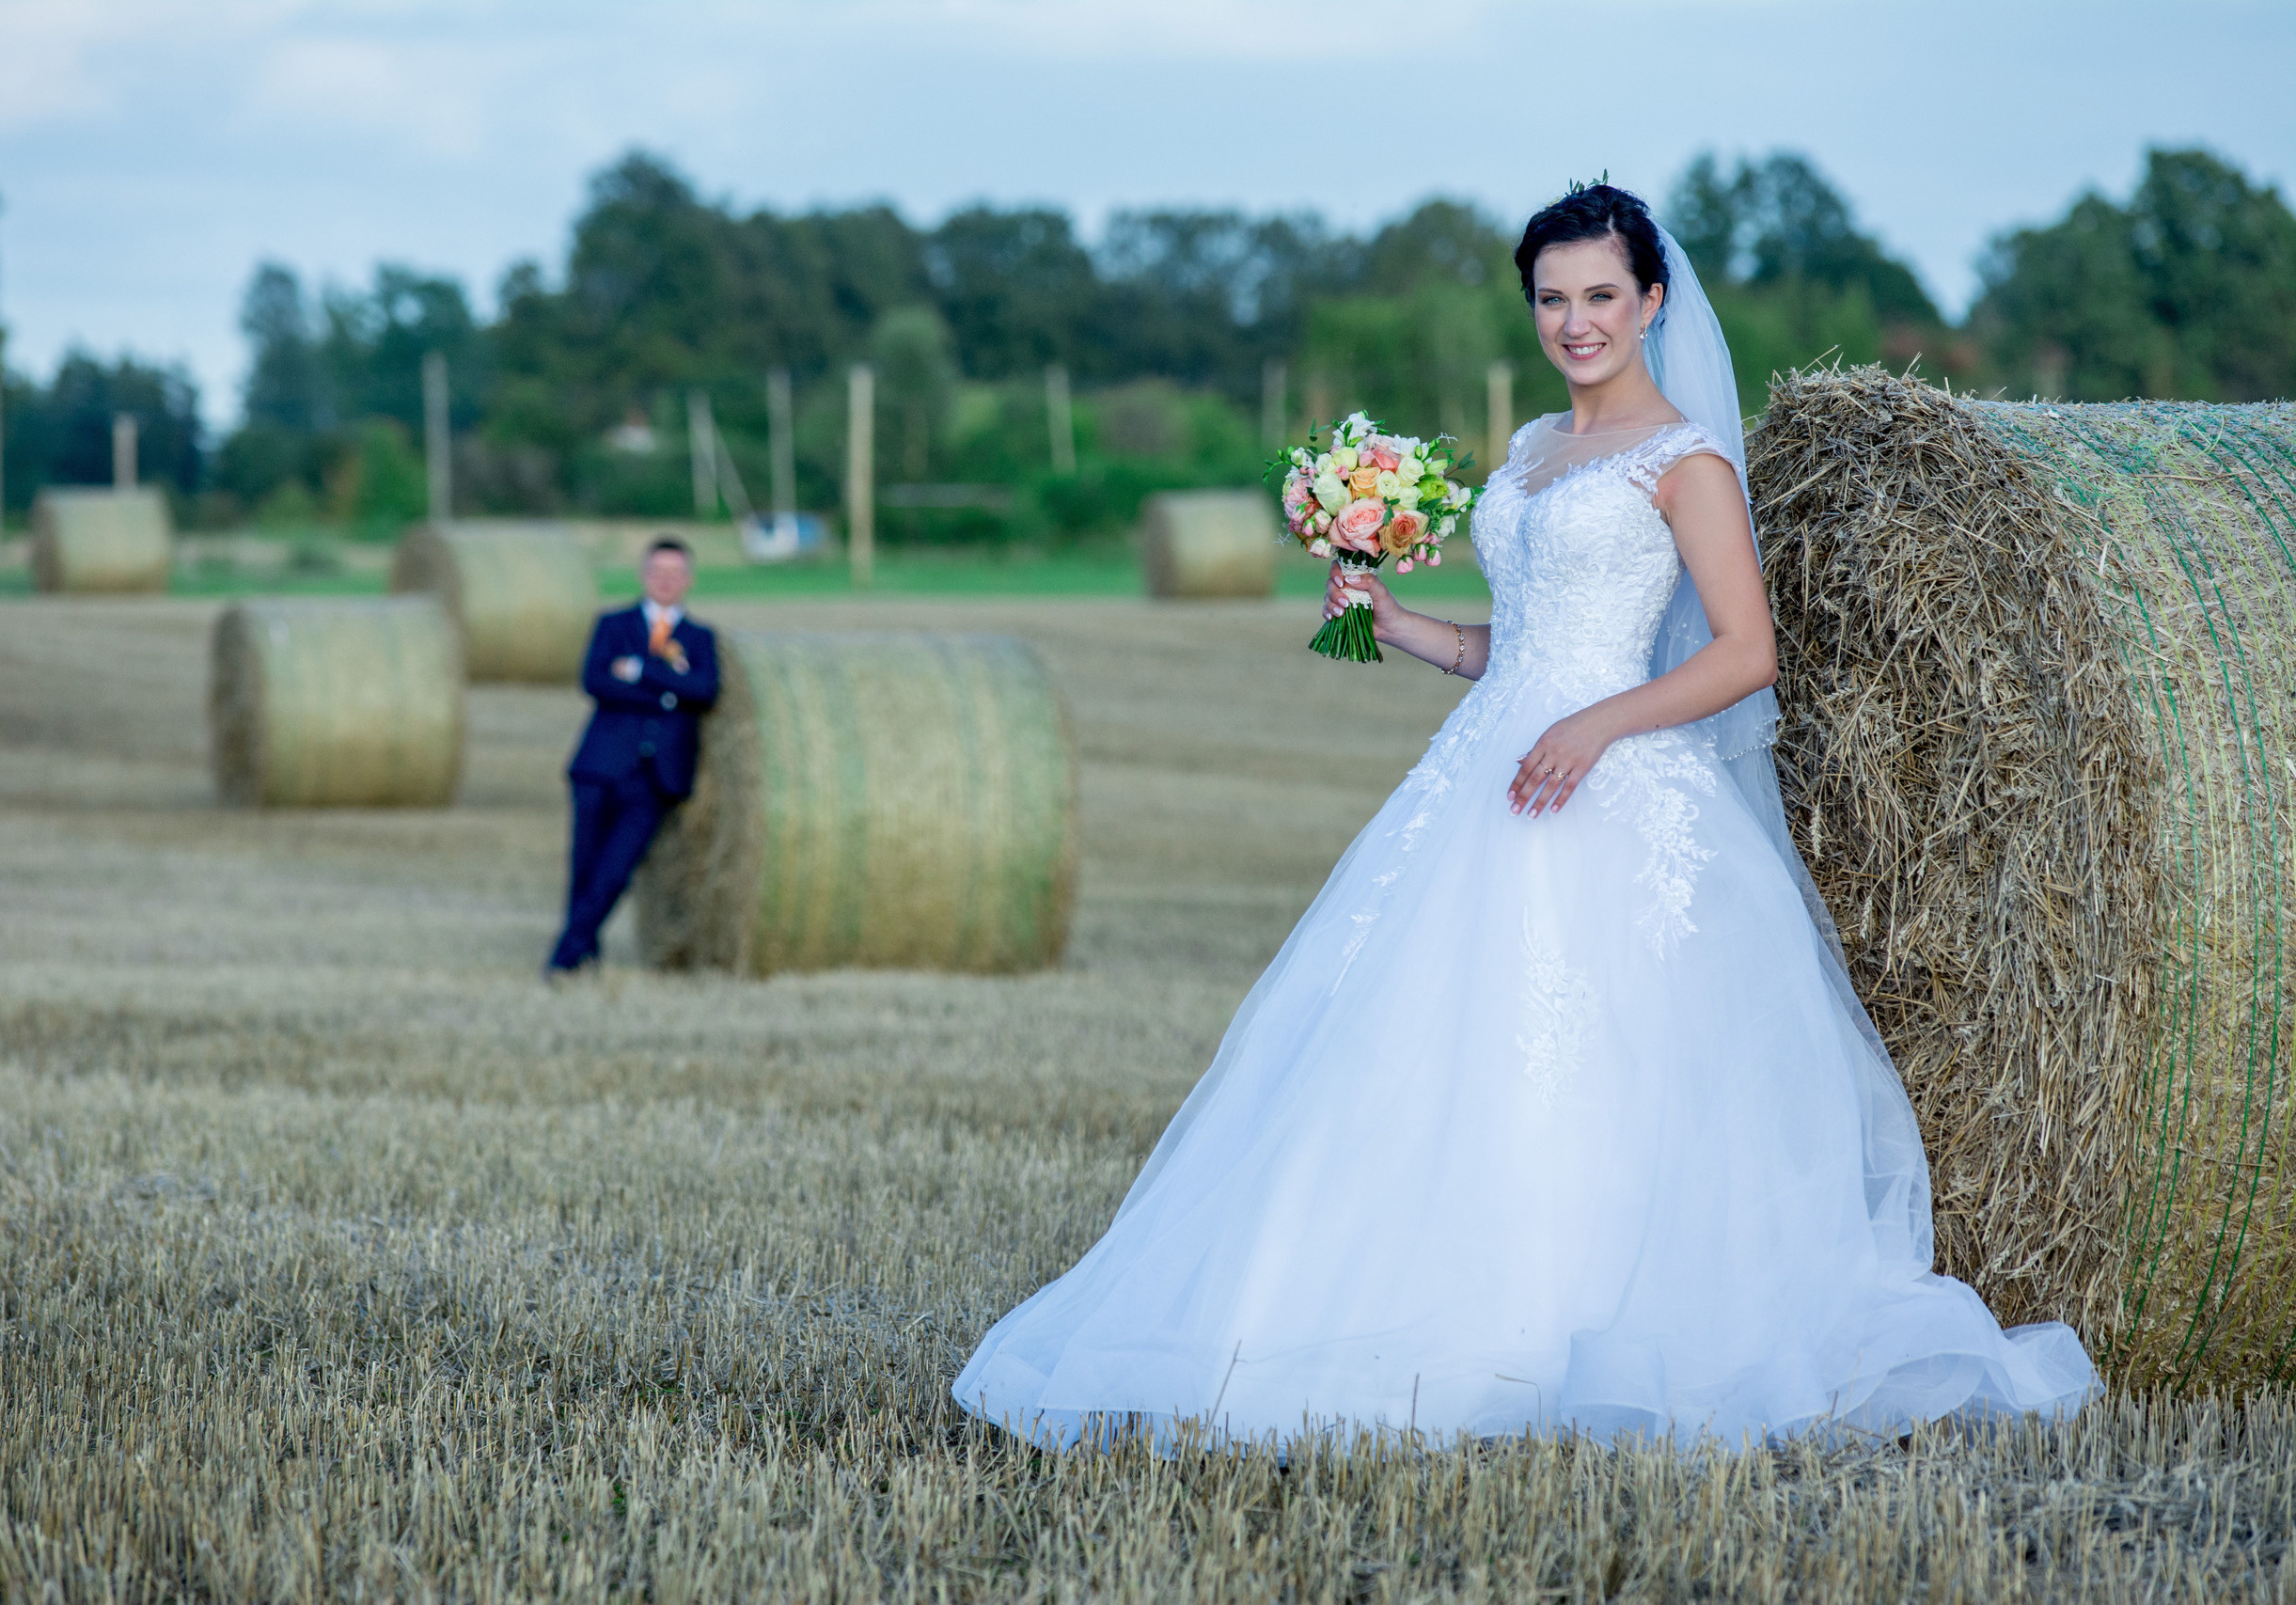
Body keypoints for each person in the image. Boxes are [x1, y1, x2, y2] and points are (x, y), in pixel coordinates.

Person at [952, 184, 2099, 1450]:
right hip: (1489, 772)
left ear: (1652, 301)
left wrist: (1601, 724)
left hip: (1609, 788)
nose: (1576, 320)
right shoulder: (1533, 452)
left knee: (1588, 1057)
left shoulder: (1686, 461)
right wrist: (1401, 627)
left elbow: (1745, 654)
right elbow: (1523, 653)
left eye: (1601, 294)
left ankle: (1556, 1332)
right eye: (1553, 298)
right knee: (1408, 1049)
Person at [546, 537, 719, 975]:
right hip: (600, 768)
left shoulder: (700, 639)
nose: (666, 581)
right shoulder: (612, 625)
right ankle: (583, 952)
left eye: (675, 573)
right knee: (584, 866)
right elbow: (596, 681)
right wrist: (668, 694)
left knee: (616, 871)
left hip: (655, 777)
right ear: (644, 575)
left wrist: (642, 671)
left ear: (689, 580)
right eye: (658, 572)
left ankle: (564, 957)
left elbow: (704, 691)